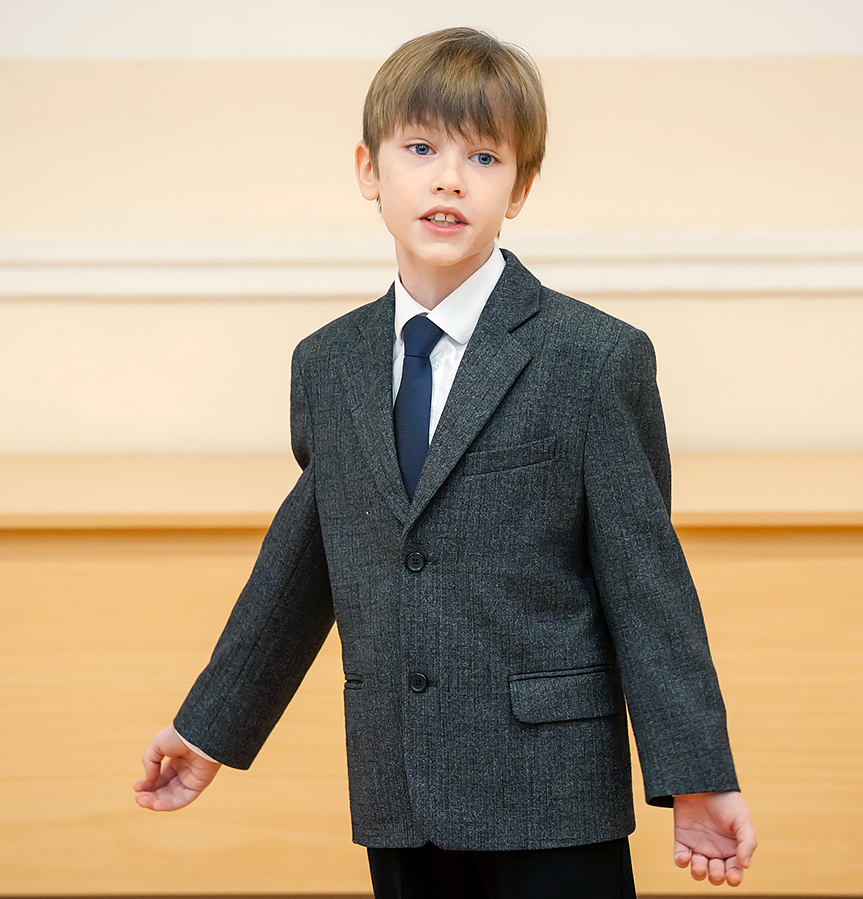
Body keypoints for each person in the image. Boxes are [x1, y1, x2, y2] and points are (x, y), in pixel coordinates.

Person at [134, 27, 756, 898]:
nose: (449, 179)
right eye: (421, 149)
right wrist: (211, 728)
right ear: (368, 170)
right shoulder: (328, 363)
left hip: (552, 793)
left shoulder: (593, 358)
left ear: (520, 188)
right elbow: (305, 562)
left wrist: (697, 773)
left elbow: (647, 586)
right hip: (398, 785)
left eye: (484, 157)